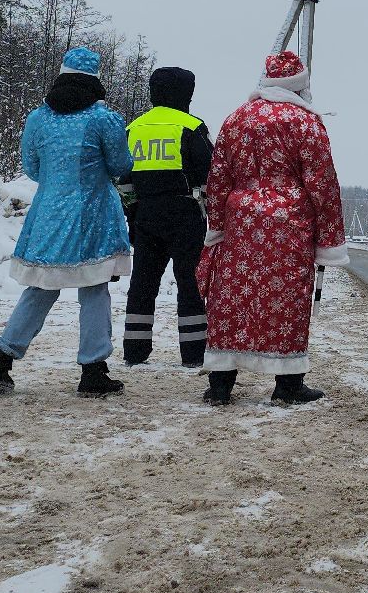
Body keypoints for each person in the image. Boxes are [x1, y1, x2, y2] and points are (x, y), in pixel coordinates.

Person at [0, 47, 134, 398]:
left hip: (48, 213)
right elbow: (121, 165)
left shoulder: (38, 118)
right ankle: (93, 370)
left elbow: (31, 167)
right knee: (94, 288)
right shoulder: (104, 119)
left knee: (41, 288)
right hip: (92, 215)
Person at [197, 50, 347, 406]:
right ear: (301, 85)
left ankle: (220, 383)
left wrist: (217, 225)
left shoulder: (237, 119)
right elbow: (322, 183)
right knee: (288, 298)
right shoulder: (306, 122)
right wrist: (329, 239)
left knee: (232, 298)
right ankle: (288, 385)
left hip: (241, 222)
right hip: (289, 224)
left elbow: (217, 178)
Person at [120, 66, 212, 367]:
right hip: (185, 213)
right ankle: (194, 353)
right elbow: (209, 174)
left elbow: (123, 178)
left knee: (143, 283)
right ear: (187, 93)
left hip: (145, 213)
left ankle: (134, 350)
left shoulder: (134, 128)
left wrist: (133, 211)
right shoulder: (191, 126)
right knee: (190, 283)